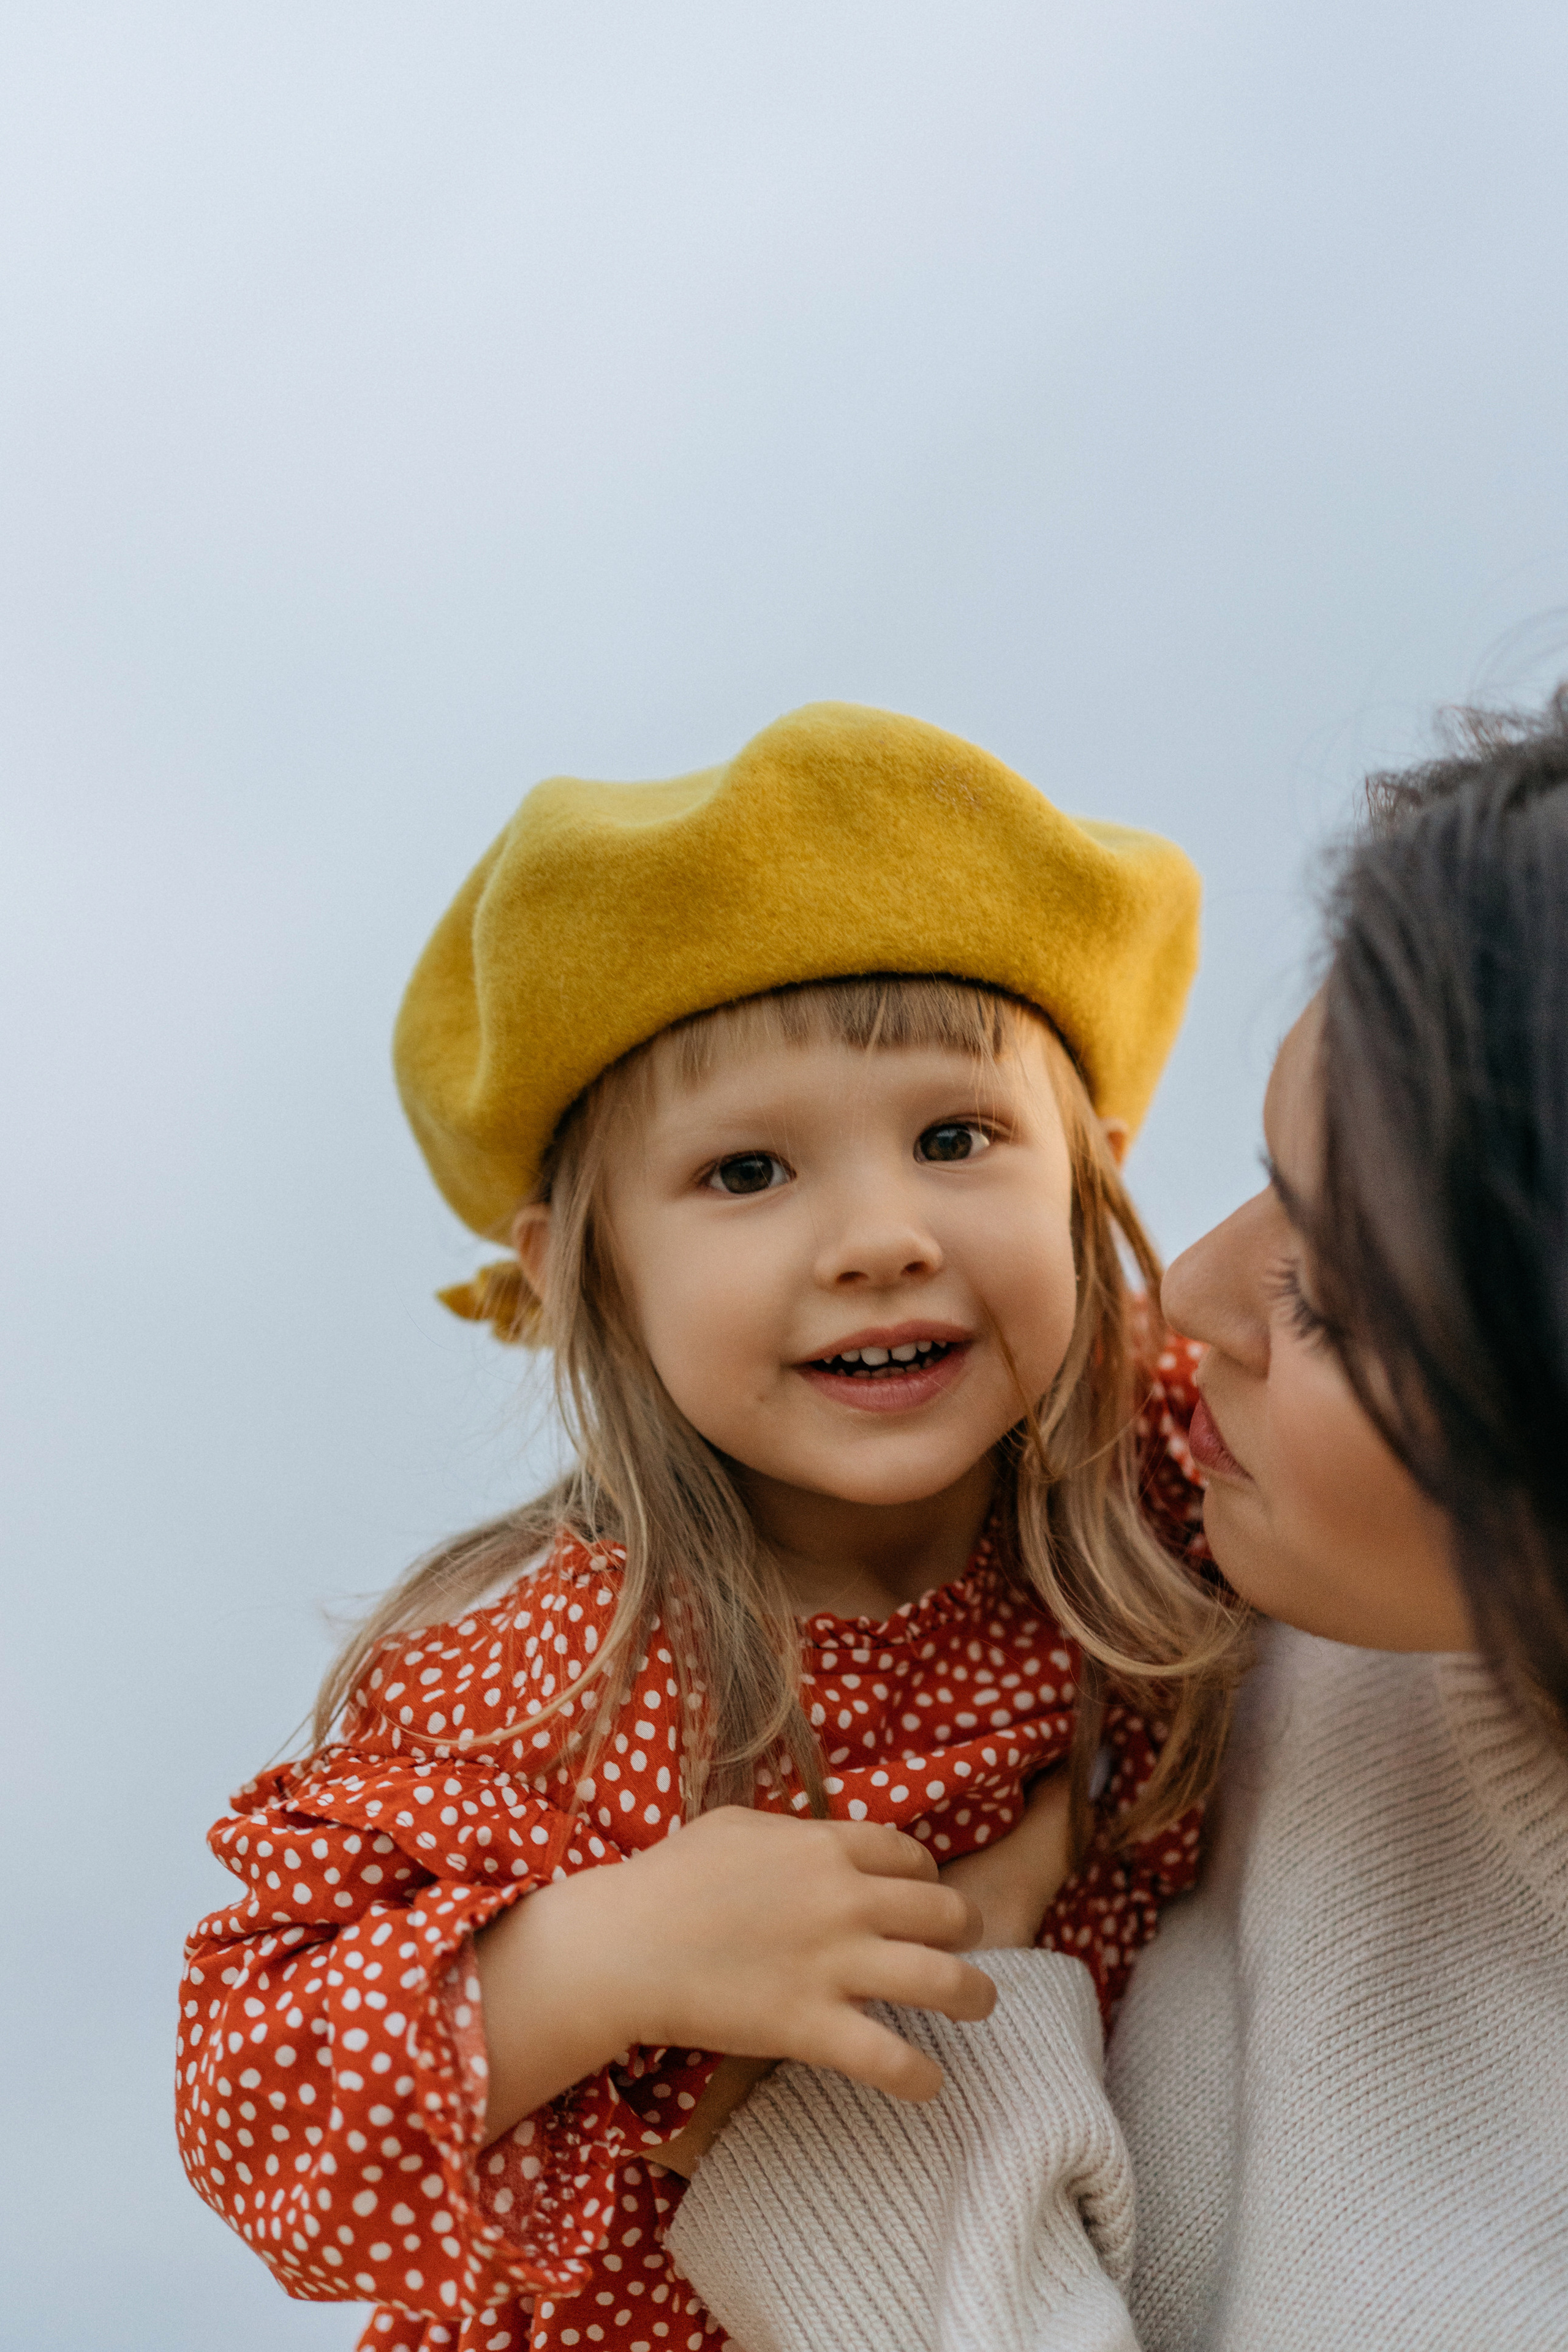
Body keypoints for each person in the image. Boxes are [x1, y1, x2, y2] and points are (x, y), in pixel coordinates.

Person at [173, 703, 1248, 2352]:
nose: (879, 1237)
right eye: (747, 1173)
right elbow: (254, 2121)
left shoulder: (1163, 1491)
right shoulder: (555, 1675)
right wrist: (599, 1956)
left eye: (957, 1139)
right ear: (580, 1274)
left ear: (1091, 1174)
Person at [662, 690, 1568, 2352]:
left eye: (1329, 1292)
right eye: (1267, 1182)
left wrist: (885, 2097)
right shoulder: (1218, 1550)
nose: (1179, 1305)